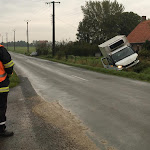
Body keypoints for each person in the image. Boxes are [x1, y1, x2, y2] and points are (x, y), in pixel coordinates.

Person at [0, 44, 14, 137]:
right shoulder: (1, 49)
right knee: (1, 107)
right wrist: (8, 75)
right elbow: (9, 65)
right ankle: (1, 130)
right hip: (1, 84)